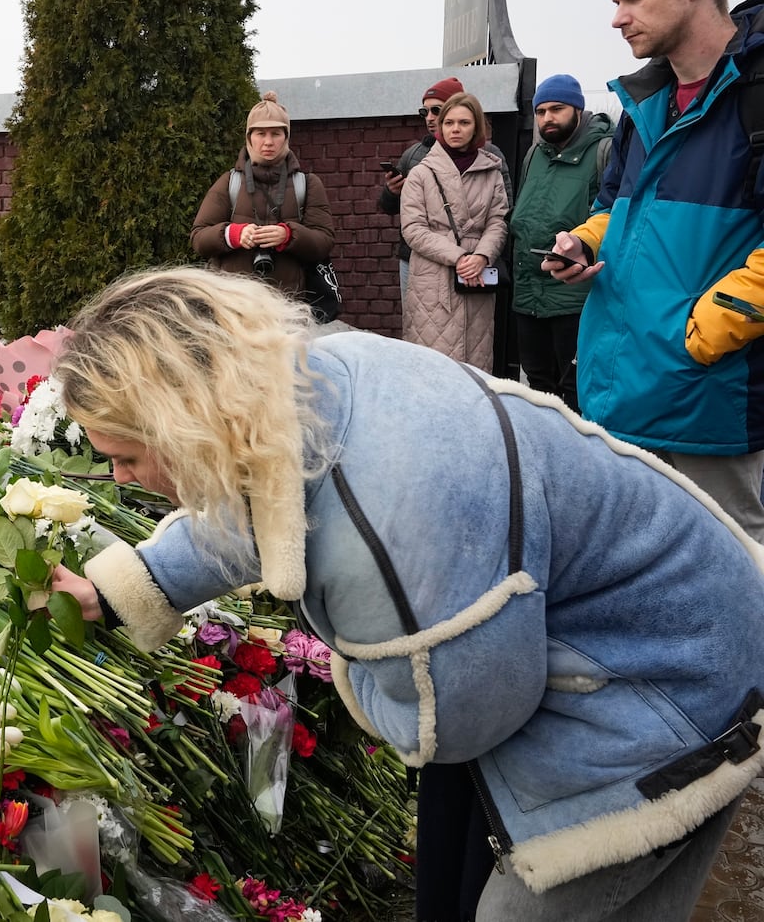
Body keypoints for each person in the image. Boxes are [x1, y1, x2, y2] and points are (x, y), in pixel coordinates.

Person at [48, 267, 764, 922]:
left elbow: (458, 715)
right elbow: (260, 500)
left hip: (674, 693)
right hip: (641, 630)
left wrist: (360, 668)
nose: (118, 480)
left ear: (186, 425)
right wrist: (126, 589)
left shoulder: (391, 514)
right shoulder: (291, 383)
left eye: (126, 456)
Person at [543, 0, 764, 540]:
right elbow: (615, 206)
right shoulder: (643, 105)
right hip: (619, 389)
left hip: (707, 399)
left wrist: (706, 331)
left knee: (731, 579)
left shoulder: (756, 95)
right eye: (616, 0)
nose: (618, 17)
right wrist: (583, 242)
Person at [508, 74, 614, 411]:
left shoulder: (604, 150)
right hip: (528, 292)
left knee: (576, 391)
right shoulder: (534, 155)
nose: (547, 118)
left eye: (557, 109)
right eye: (540, 112)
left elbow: (612, 216)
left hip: (574, 294)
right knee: (537, 389)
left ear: (578, 110)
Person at [399, 92, 510, 371]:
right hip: (433, 280)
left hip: (477, 277)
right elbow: (413, 229)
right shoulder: (421, 173)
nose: (455, 129)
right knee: (431, 367)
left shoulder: (491, 171)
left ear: (477, 127)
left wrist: (483, 255)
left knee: (476, 364)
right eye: (449, 123)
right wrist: (460, 257)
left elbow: (498, 220)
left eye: (464, 122)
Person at [191, 91, 334, 301]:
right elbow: (199, 238)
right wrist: (233, 235)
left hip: (289, 304)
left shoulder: (307, 184)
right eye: (260, 133)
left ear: (286, 137)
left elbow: (324, 241)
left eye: (276, 133)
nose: (268, 142)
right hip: (234, 303)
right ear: (249, 137)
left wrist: (288, 236)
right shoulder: (229, 182)